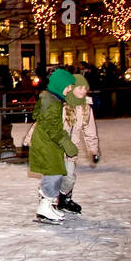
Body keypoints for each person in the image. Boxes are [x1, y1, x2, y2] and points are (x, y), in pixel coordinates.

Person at [28, 68, 79, 225]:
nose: (69, 90)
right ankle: (44, 207)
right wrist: (67, 144)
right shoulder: (52, 103)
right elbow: (53, 128)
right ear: (59, 85)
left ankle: (47, 205)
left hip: (47, 143)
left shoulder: (51, 99)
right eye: (68, 87)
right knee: (54, 173)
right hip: (46, 143)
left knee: (55, 172)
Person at [58, 74, 101, 214]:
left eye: (85, 88)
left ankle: (64, 199)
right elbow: (42, 124)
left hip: (71, 150)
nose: (83, 91)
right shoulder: (60, 105)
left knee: (69, 178)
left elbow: (90, 131)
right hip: (55, 147)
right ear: (72, 88)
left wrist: (93, 150)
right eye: (80, 87)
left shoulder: (86, 108)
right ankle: (49, 203)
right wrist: (30, 140)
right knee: (53, 178)